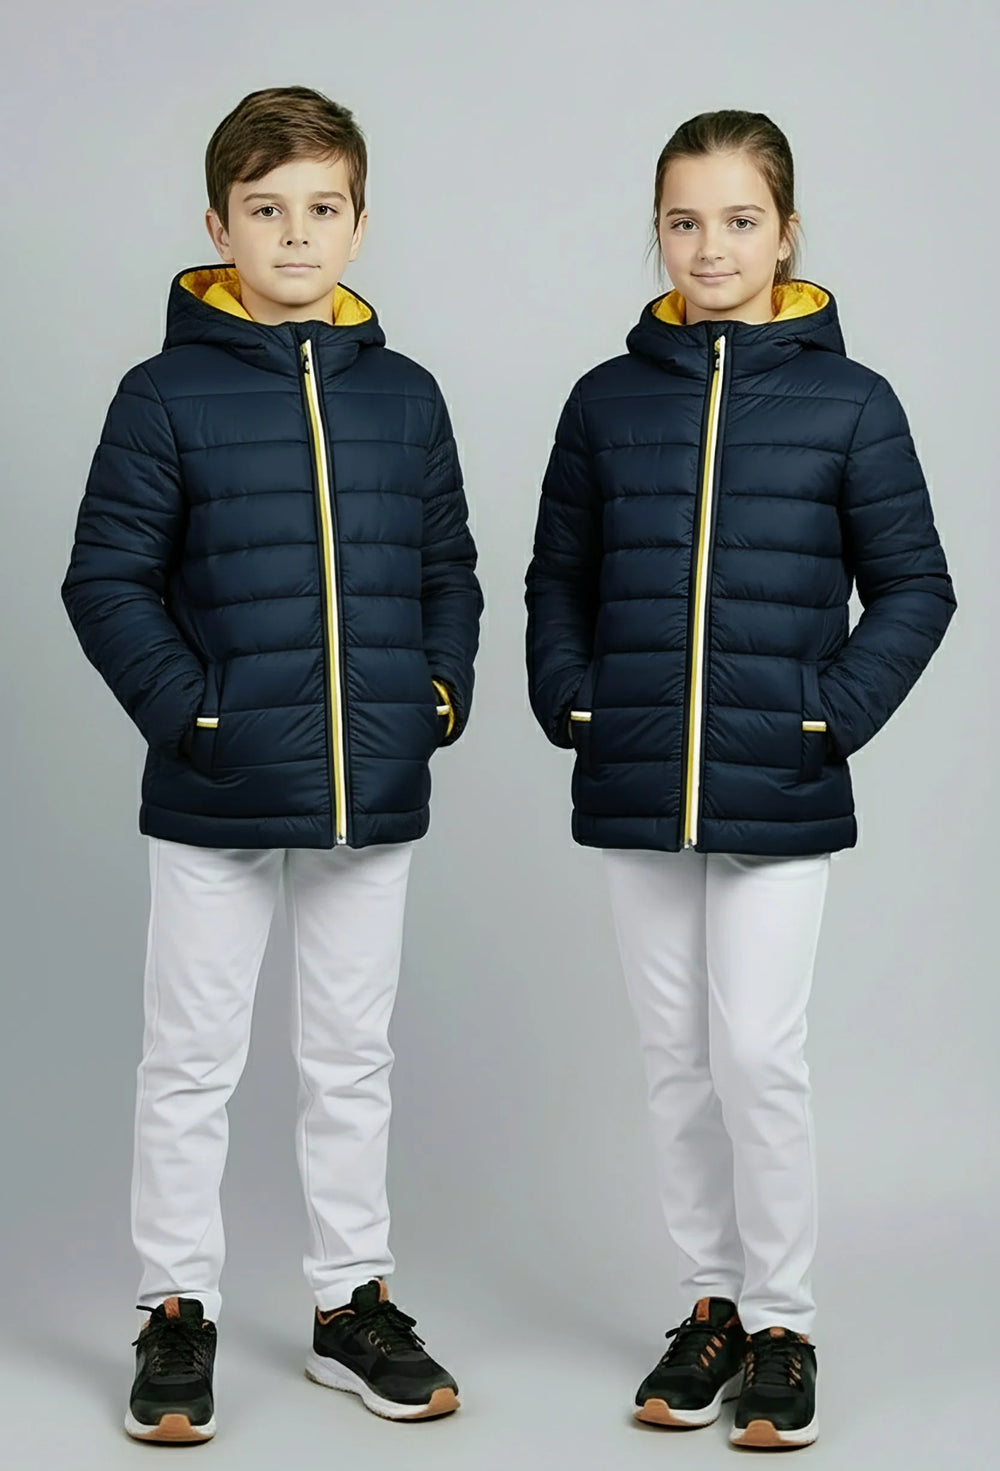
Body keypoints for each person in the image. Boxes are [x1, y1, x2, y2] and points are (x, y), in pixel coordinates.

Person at [524, 108, 956, 1450]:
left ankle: (783, 1324)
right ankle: (709, 1306)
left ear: (786, 232)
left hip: (779, 781)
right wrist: (574, 699)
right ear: (658, 230)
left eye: (739, 219)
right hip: (638, 780)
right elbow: (558, 578)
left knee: (758, 1055)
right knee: (676, 1063)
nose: (711, 245)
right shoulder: (606, 401)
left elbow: (917, 588)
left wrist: (826, 718)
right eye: (685, 219)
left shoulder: (852, 403)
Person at [61, 85, 482, 1441]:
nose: (295, 234)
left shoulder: (407, 398)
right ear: (218, 226)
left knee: (352, 1058)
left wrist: (434, 698)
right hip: (217, 788)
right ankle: (174, 1308)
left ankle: (351, 1304)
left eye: (320, 208)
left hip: (373, 785)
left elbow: (449, 569)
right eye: (265, 209)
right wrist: (195, 719)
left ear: (359, 223)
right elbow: (106, 580)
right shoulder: (162, 394)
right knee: (191, 1061)